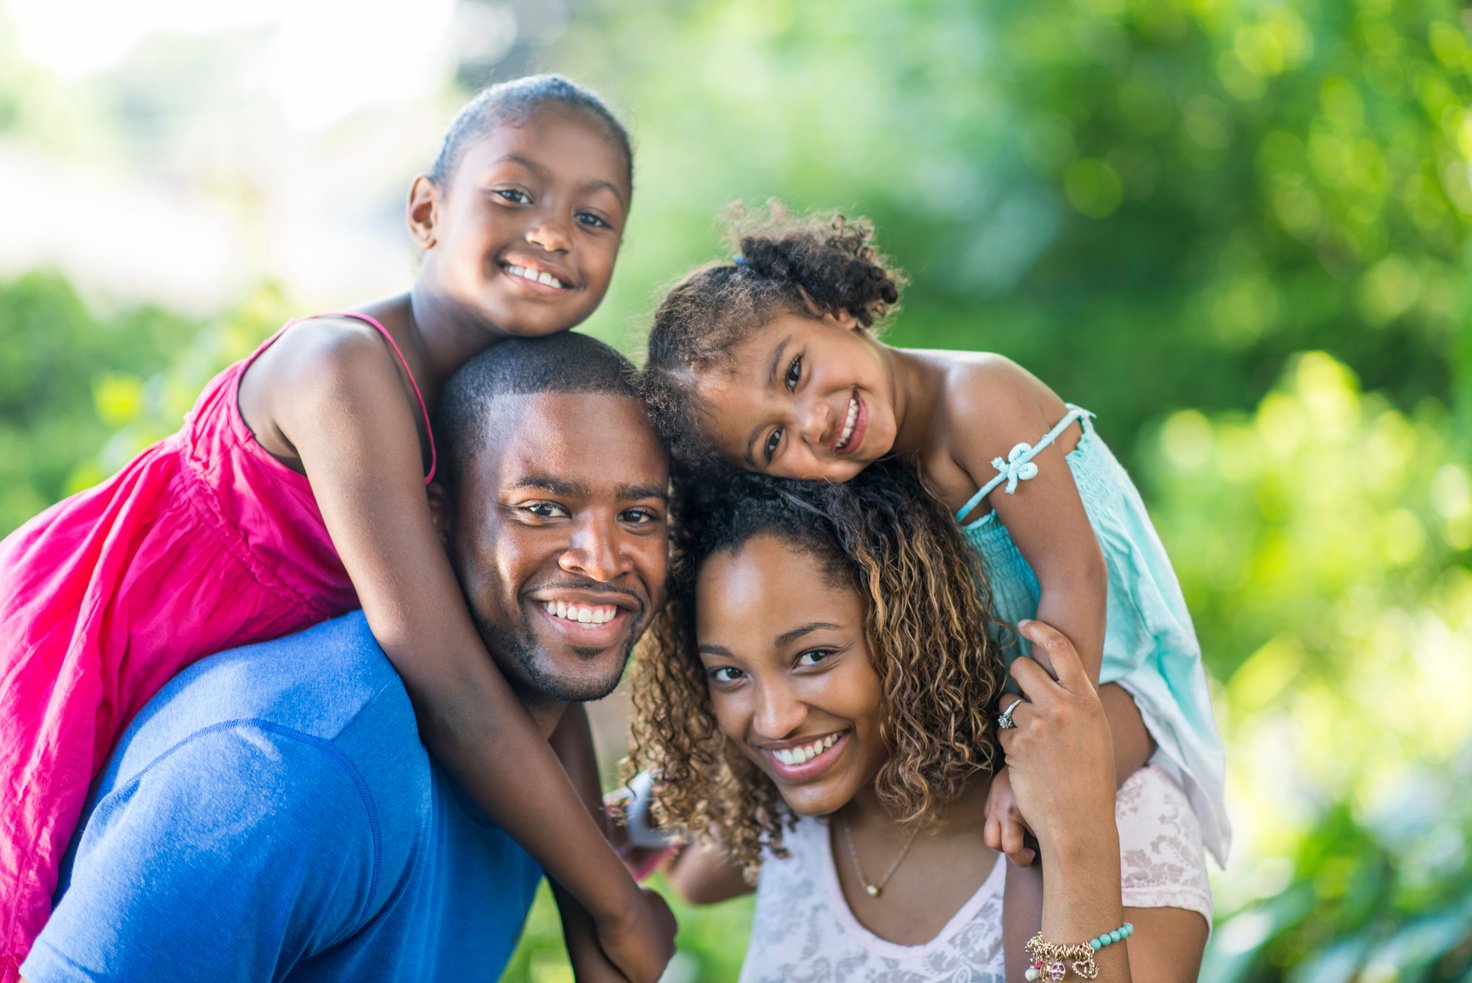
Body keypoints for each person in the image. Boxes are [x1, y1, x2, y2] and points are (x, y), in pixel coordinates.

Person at [0, 76, 673, 982]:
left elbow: (529, 668)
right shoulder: (345, 369)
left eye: (594, 218)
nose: (553, 231)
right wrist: (617, 903)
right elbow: (457, 692)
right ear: (426, 211)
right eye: (514, 193)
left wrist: (589, 885)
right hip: (118, 633)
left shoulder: (503, 412)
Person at [18, 333, 674, 983]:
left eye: (640, 516)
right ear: (436, 520)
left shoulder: (533, 777)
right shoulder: (290, 772)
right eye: (542, 509)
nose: (601, 557)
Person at [640, 205, 1230, 877]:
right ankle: (658, 814)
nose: (814, 421)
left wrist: (1027, 755)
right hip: (1016, 694)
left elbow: (1076, 579)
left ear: (826, 305)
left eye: (796, 372)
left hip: (1115, 677)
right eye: (773, 441)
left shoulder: (977, 398)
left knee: (1026, 834)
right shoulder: (865, 468)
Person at [626, 462, 1211, 981]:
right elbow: (688, 875)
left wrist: (1068, 840)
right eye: (729, 674)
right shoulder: (789, 815)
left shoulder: (1130, 817)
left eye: (813, 657)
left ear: (913, 637)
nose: (775, 721)